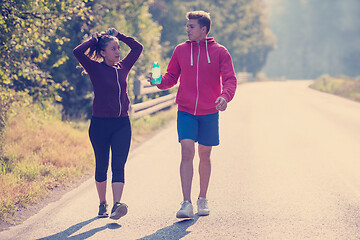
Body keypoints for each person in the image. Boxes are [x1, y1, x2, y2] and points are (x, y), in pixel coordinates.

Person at [147, 11, 237, 218]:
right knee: (187, 151)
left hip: (209, 111)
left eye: (191, 27)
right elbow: (170, 77)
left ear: (203, 29)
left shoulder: (220, 52)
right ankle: (186, 203)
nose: (187, 29)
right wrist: (157, 80)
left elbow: (230, 79)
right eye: (187, 26)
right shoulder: (180, 50)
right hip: (186, 110)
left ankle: (202, 198)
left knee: (205, 154)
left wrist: (225, 97)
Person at [73, 28, 143, 220]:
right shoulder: (95, 68)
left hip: (122, 123)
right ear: (103, 52)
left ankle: (116, 205)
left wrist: (120, 35)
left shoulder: (123, 67)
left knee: (118, 165)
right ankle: (102, 203)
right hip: (100, 125)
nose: (118, 51)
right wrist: (92, 40)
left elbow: (137, 48)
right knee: (102, 165)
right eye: (113, 48)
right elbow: (77, 52)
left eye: (118, 48)